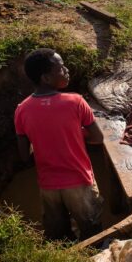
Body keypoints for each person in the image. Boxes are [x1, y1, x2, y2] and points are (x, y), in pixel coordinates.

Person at [14, 48, 104, 241]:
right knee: (92, 231)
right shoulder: (76, 102)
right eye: (61, 68)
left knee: (58, 236)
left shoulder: (21, 110)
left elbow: (24, 156)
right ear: (46, 78)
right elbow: (98, 138)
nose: (66, 70)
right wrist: (75, 135)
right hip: (79, 181)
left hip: (48, 185)